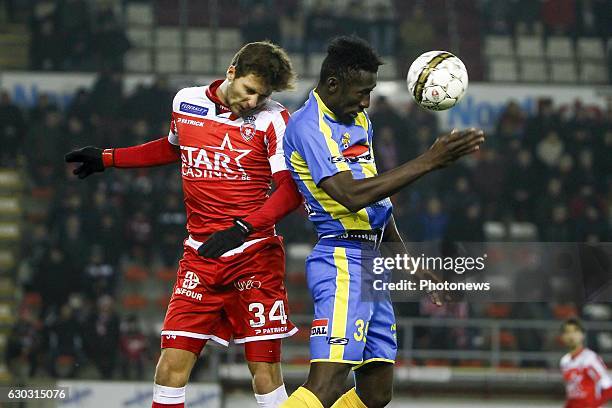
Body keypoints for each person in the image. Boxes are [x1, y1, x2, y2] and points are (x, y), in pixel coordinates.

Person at [65, 41, 303, 408]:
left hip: (254, 257)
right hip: (200, 257)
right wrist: (109, 158)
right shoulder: (186, 101)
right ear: (232, 72)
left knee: (265, 373)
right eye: (249, 90)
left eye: (263, 95)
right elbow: (174, 147)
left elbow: (291, 191)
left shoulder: (274, 119)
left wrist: (243, 228)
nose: (254, 101)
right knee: (169, 369)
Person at [281, 36, 485, 408]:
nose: (365, 102)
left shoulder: (358, 121)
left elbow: (377, 204)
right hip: (342, 261)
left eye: (370, 92)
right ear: (332, 85)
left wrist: (413, 267)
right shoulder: (309, 127)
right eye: (361, 92)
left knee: (377, 392)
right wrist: (428, 161)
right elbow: (350, 195)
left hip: (373, 264)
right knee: (325, 384)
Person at [560, 318, 612, 408]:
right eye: (567, 332)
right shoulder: (565, 361)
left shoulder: (590, 358)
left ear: (582, 335)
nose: (571, 335)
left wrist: (592, 405)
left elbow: (608, 387)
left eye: (575, 331)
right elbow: (572, 395)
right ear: (562, 337)